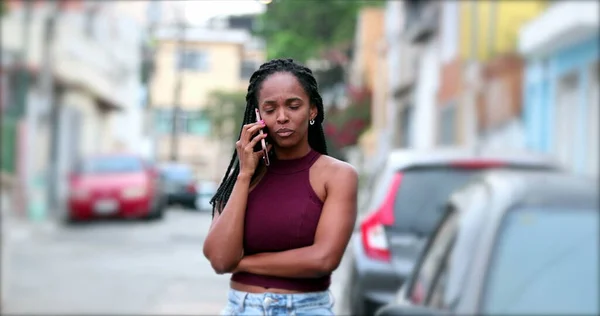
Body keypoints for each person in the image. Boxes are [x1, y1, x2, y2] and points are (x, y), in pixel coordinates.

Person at [203, 58, 358, 316]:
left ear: (312, 111)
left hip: (304, 309)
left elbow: (324, 259)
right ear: (258, 115)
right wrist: (245, 175)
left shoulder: (337, 175)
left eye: (293, 106)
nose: (282, 117)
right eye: (270, 109)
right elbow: (220, 259)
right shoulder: (240, 178)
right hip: (240, 308)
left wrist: (242, 263)